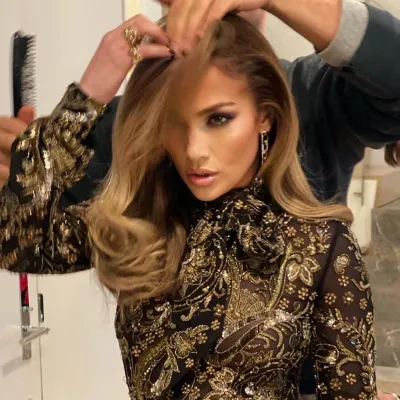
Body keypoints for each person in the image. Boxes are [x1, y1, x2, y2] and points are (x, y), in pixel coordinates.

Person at [0, 0, 399, 398]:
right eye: (171, 123)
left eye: (218, 119)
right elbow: (19, 244)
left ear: (265, 114)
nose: (194, 150)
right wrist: (85, 96)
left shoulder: (320, 240)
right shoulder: (142, 218)